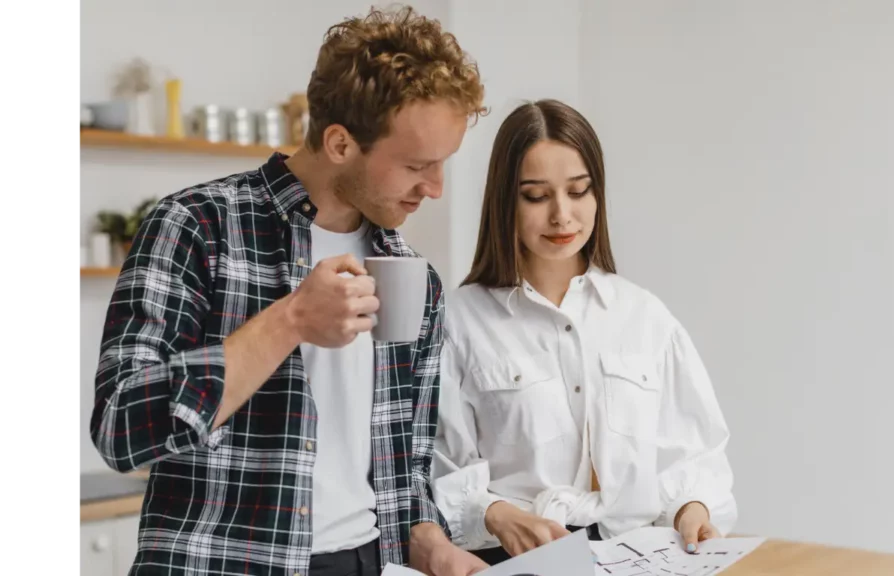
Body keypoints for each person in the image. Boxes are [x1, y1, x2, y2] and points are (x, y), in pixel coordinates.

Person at [89, 6, 490, 576]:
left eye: (442, 165)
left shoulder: (413, 276)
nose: (436, 188)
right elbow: (119, 429)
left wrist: (432, 545)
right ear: (340, 144)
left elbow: (404, 471)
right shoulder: (196, 226)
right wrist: (288, 321)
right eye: (416, 166)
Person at [430, 99, 738, 565]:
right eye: (536, 196)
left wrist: (692, 508)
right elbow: (437, 466)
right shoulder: (458, 321)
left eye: (578, 191)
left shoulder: (645, 316)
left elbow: (694, 453)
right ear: (504, 201)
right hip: (513, 560)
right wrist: (494, 512)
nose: (562, 215)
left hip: (638, 557)